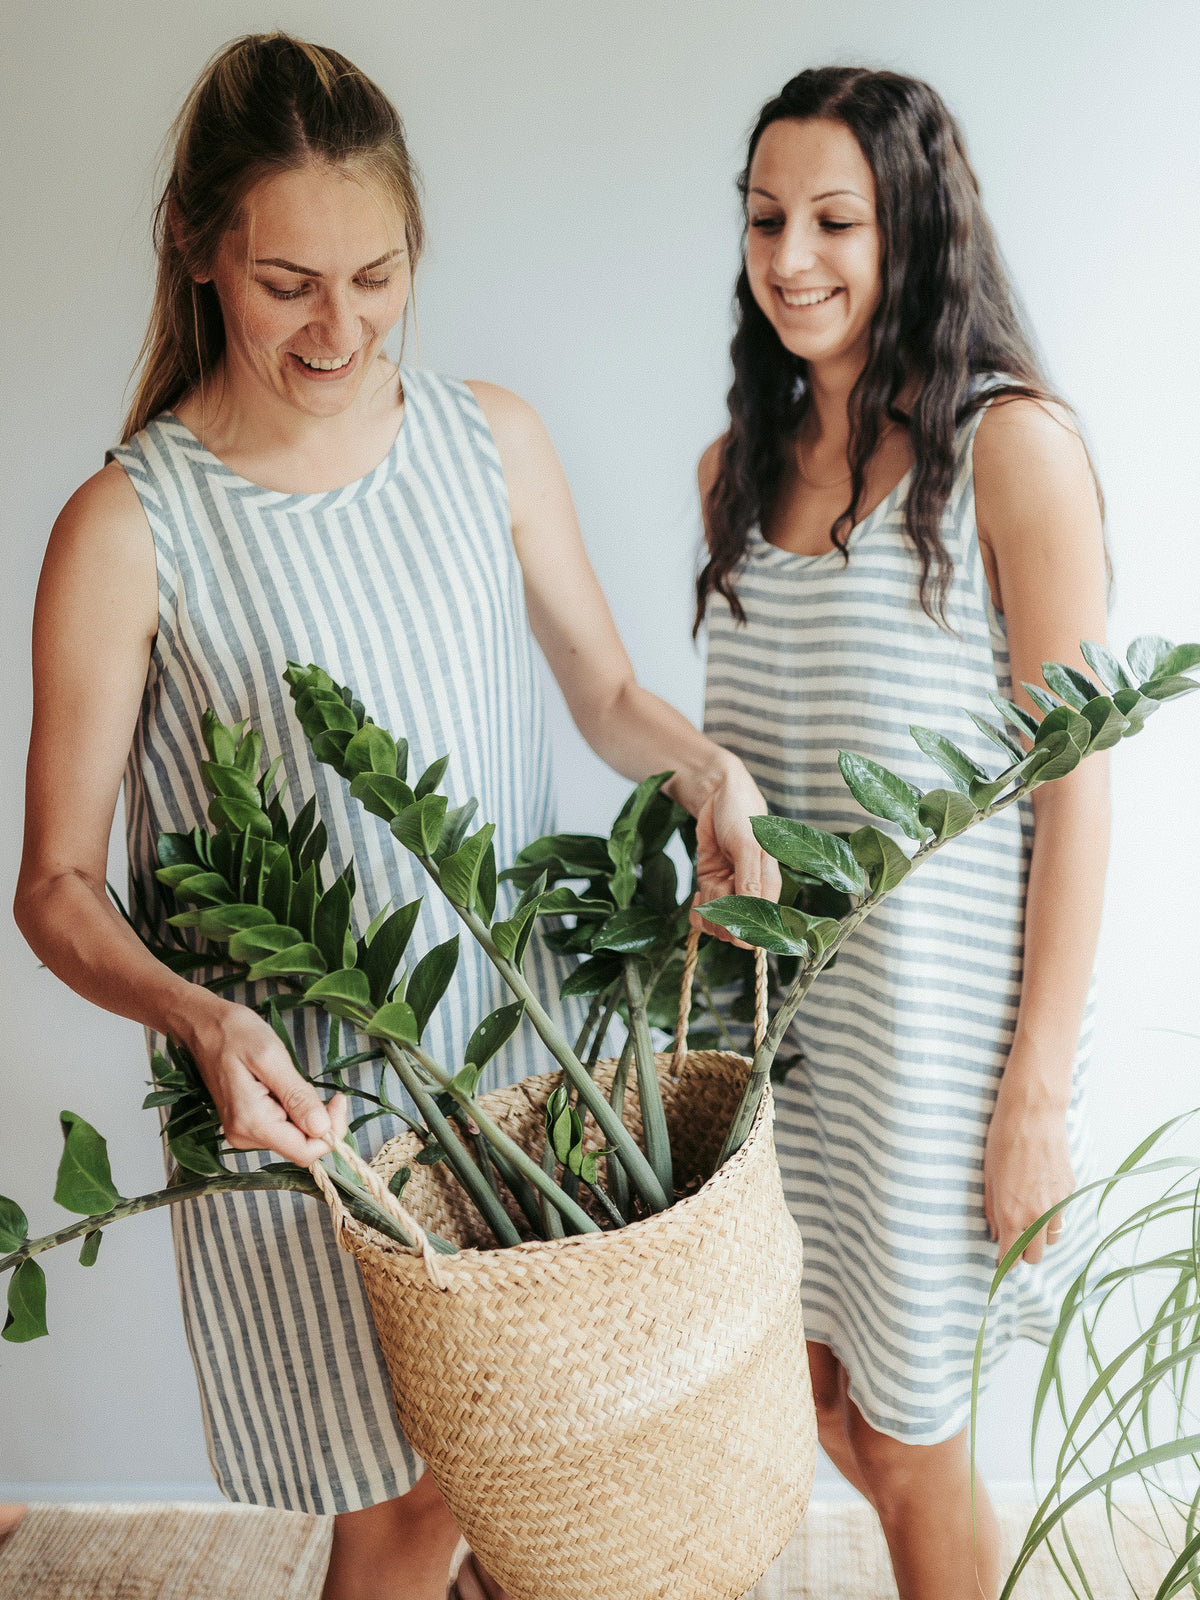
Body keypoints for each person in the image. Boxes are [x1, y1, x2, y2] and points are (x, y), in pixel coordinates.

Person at [12, 34, 778, 1600]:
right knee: (418, 1509)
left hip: (524, 1072)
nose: (341, 326)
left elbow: (604, 686)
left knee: (548, 1497)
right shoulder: (127, 528)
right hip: (313, 1111)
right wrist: (201, 1022)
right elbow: (59, 887)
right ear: (198, 246)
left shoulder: (487, 438)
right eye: (291, 279)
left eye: (379, 274)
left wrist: (703, 769)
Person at [696, 68, 1108, 1600]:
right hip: (784, 1053)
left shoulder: (1012, 451)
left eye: (834, 221)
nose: (790, 256)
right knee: (818, 1414)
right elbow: (741, 772)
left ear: (914, 231)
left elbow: (1079, 785)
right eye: (764, 218)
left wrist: (1037, 1091)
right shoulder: (731, 475)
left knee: (916, 1446)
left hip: (936, 1063)